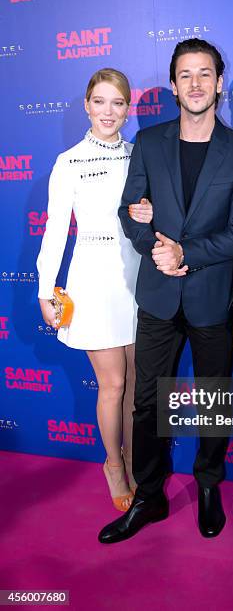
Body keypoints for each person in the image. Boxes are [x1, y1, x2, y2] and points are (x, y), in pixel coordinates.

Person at [98, 38, 233, 544]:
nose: (195, 83)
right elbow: (130, 211)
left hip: (211, 296)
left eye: (204, 73)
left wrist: (185, 253)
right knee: (147, 402)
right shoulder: (149, 142)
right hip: (159, 297)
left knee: (213, 399)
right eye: (185, 74)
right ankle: (149, 494)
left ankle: (208, 485)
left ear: (219, 83)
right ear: (173, 85)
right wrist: (154, 246)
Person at [37, 68, 152, 512]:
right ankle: (113, 466)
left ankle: (138, 460)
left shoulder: (138, 154)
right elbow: (53, 232)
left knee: (139, 382)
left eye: (118, 103)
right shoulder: (69, 161)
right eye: (100, 101)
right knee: (113, 383)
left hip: (138, 277)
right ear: (86, 105)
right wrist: (45, 289)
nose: (109, 111)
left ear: (127, 108)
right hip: (93, 279)